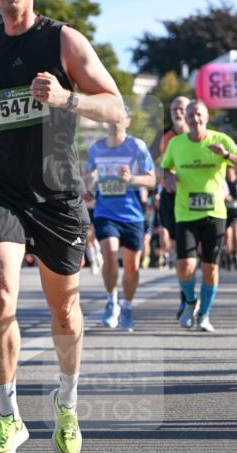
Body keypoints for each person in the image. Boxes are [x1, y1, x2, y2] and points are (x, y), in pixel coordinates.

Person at [0, 0, 123, 453]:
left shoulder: (63, 40)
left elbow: (117, 107)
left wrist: (66, 99)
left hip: (55, 191)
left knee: (65, 311)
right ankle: (8, 416)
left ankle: (68, 404)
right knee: (1, 297)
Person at [161, 99, 237, 332]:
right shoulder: (176, 143)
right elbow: (165, 166)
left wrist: (225, 155)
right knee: (185, 264)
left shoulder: (221, 140)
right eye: (191, 115)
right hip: (185, 212)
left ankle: (204, 314)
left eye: (199, 115)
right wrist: (169, 176)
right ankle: (190, 302)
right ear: (186, 117)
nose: (194, 119)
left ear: (206, 117)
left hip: (214, 213)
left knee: (210, 268)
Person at [83, 107, 156, 332]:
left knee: (132, 267)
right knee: (110, 254)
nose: (114, 121)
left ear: (127, 120)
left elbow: (152, 180)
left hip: (132, 215)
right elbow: (87, 176)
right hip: (106, 212)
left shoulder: (137, 147)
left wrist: (131, 178)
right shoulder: (96, 149)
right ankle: (111, 300)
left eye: (118, 118)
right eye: (110, 117)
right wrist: (88, 184)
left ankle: (126, 306)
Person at [158, 95, 190, 307]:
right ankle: (185, 297)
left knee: (192, 248)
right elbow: (159, 162)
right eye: (174, 110)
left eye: (181, 109)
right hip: (170, 194)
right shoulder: (165, 135)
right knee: (180, 247)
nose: (177, 113)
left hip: (194, 195)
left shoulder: (200, 136)